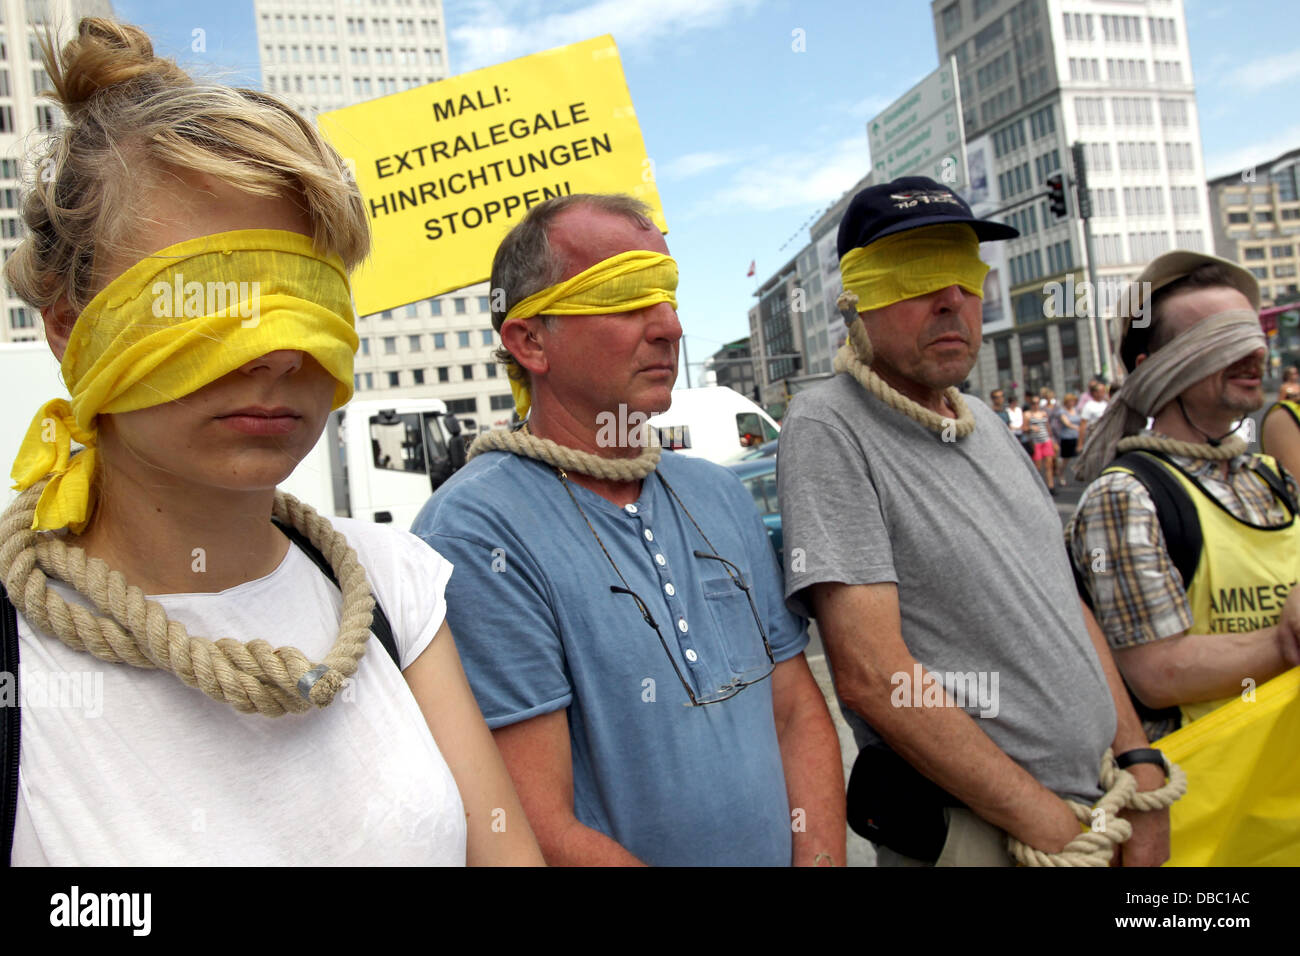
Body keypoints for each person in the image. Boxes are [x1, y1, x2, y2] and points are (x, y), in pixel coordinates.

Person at [0, 18, 542, 866]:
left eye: (310, 300)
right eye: (208, 298)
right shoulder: (23, 653)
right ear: (73, 331)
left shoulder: (396, 588)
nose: (282, 350)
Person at [410, 193, 846, 866]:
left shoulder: (718, 494)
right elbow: (529, 824)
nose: (670, 326)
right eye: (624, 299)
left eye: (669, 297)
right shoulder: (474, 534)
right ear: (529, 341)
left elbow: (794, 712)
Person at [778, 175, 1169, 867]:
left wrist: (1137, 760)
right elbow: (872, 673)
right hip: (997, 837)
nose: (950, 300)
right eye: (915, 276)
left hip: (1096, 805)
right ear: (855, 300)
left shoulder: (984, 420)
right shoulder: (826, 426)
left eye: (963, 274)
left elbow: (1064, 602)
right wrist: (1048, 825)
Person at [1069, 250, 1300, 743]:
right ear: (1155, 369)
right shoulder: (1126, 496)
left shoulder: (1272, 479)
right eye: (1222, 340)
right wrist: (1286, 640)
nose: (1255, 354)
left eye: (1253, 334)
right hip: (1212, 797)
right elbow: (1157, 674)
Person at [1024, 394, 1057, 492]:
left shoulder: (1043, 413)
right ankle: (1037, 487)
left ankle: (1051, 486)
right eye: (1034, 403)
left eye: (1037, 403)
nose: (1036, 405)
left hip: (1046, 440)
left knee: (1049, 465)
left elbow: (1048, 427)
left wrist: (1052, 440)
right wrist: (1031, 428)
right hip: (1036, 442)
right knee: (1037, 466)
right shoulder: (1027, 414)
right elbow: (1023, 428)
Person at [1055, 392, 1083, 487]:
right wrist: (1077, 428)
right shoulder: (1062, 412)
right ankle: (1061, 473)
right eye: (1070, 401)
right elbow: (1066, 423)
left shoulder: (1076, 410)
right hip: (1067, 437)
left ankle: (1080, 473)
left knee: (1079, 455)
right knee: (1066, 459)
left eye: (1073, 401)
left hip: (1077, 436)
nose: (1072, 403)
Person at [1077, 379, 1109, 447]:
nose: (1103, 394)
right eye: (1101, 392)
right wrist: (1080, 443)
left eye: (1104, 391)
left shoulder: (1106, 404)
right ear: (1094, 393)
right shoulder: (1088, 406)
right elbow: (1083, 425)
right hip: (1094, 437)